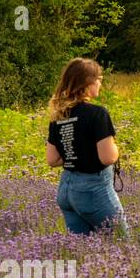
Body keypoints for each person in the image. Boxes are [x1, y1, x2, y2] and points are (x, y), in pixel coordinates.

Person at [45, 58, 128, 236]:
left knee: (82, 250)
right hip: (93, 189)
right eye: (99, 79)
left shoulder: (58, 116)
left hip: (66, 190)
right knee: (122, 245)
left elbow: (52, 159)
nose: (100, 83)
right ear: (87, 82)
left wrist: (77, 155)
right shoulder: (97, 113)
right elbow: (108, 157)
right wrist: (116, 149)